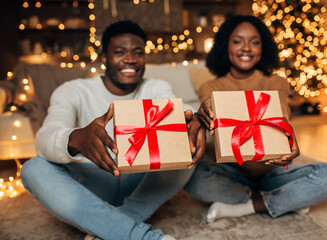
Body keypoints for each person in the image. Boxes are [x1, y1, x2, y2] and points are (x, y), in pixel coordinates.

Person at [20, 20, 206, 240]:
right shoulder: (72, 90)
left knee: (186, 144)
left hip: (140, 180)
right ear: (105, 58)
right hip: (90, 181)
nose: (130, 59)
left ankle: (113, 223)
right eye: (119, 52)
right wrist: (76, 138)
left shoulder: (154, 86)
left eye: (137, 52)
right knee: (32, 168)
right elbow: (45, 137)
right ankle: (141, 236)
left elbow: (175, 107)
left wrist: (193, 118)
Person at [184, 15, 327, 223]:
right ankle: (288, 201)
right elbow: (207, 107)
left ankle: (248, 205)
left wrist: (288, 136)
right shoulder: (211, 87)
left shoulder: (277, 83)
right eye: (237, 41)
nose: (246, 48)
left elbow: (280, 117)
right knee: (190, 177)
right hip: (231, 173)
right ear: (225, 46)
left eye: (255, 42)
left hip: (274, 173)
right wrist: (203, 114)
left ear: (264, 47)